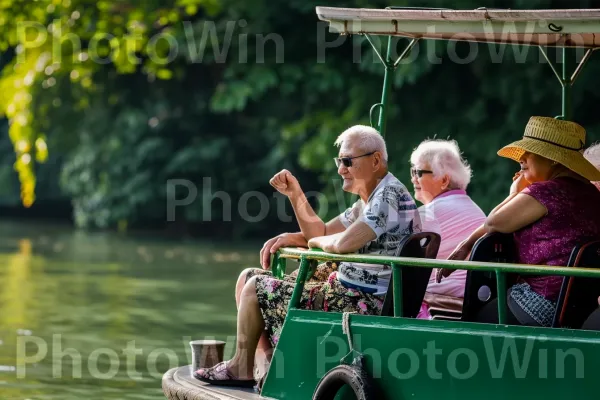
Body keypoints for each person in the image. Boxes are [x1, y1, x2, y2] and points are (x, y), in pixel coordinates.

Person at [194, 125, 421, 387]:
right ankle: (268, 363)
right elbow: (323, 232)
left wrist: (310, 241)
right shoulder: (369, 200)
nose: (340, 169)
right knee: (247, 276)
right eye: (339, 161)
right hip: (353, 290)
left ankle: (242, 368)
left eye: (347, 161)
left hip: (364, 300)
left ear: (376, 160)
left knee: (255, 288)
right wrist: (296, 195)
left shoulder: (388, 195)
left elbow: (342, 243)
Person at [441, 116, 600, 327]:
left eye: (529, 152)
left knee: (473, 322)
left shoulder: (546, 192)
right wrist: (466, 245)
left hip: (540, 305)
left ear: (553, 158)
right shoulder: (591, 193)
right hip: (581, 306)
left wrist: (514, 193)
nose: (521, 159)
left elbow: (495, 222)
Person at [409, 139, 486, 319]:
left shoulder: (430, 213)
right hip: (471, 304)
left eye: (419, 172)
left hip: (436, 306)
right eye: (412, 171)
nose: (413, 178)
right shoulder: (474, 208)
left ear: (444, 180)